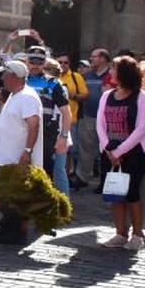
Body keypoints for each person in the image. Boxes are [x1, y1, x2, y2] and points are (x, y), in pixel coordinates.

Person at [97, 56, 145, 251]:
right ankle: (120, 233)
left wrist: (120, 151)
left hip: (134, 153)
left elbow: (141, 129)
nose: (111, 73)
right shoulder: (107, 96)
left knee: (133, 195)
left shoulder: (142, 97)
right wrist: (109, 149)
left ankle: (137, 235)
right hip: (110, 152)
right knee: (116, 194)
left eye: (114, 69)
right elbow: (100, 124)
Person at [0, 61, 42, 245]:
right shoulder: (15, 95)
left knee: (15, 196)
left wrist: (27, 151)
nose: (2, 78)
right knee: (5, 195)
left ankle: (16, 232)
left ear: (14, 77)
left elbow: (33, 125)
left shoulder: (27, 97)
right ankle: (7, 226)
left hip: (16, 157)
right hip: (5, 157)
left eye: (5, 75)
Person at [23, 47, 71, 190]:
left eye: (39, 62)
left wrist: (63, 137)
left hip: (45, 135)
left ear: (45, 63)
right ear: (26, 61)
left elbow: (66, 113)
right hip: (21, 132)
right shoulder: (19, 80)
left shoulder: (53, 84)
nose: (35, 65)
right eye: (32, 61)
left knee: (44, 176)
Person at [76, 47, 114, 187]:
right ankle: (82, 177)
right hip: (89, 116)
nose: (91, 59)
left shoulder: (111, 75)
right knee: (85, 148)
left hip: (107, 119)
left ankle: (105, 182)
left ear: (103, 58)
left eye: (94, 56)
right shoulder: (88, 75)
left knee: (107, 151)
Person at [57, 53, 89, 190]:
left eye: (66, 63)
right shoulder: (52, 77)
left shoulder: (76, 77)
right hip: (54, 119)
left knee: (71, 149)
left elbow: (85, 94)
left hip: (72, 119)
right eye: (60, 62)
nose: (63, 65)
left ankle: (68, 173)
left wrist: (73, 96)